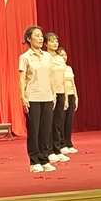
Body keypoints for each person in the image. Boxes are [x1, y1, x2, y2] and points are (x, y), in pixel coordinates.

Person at [18, 25, 56, 173]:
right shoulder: (25, 57)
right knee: (34, 130)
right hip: (32, 97)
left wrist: (53, 94)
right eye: (37, 36)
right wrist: (23, 97)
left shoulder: (47, 56)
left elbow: (51, 76)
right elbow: (22, 79)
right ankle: (34, 161)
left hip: (47, 96)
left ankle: (44, 158)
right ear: (29, 39)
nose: (41, 38)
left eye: (41, 36)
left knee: (46, 130)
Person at [45, 32, 70, 164]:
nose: (55, 43)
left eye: (56, 41)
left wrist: (65, 97)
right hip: (50, 92)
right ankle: (49, 151)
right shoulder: (45, 57)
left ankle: (57, 148)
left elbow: (64, 78)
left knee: (57, 123)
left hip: (61, 92)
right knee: (49, 123)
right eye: (51, 41)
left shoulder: (60, 59)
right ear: (46, 44)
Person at [58, 47, 79, 155]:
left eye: (65, 55)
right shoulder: (57, 69)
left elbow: (73, 83)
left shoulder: (69, 68)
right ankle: (61, 144)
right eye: (61, 55)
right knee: (61, 121)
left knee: (69, 121)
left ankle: (68, 142)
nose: (64, 57)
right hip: (62, 95)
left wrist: (76, 97)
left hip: (71, 95)